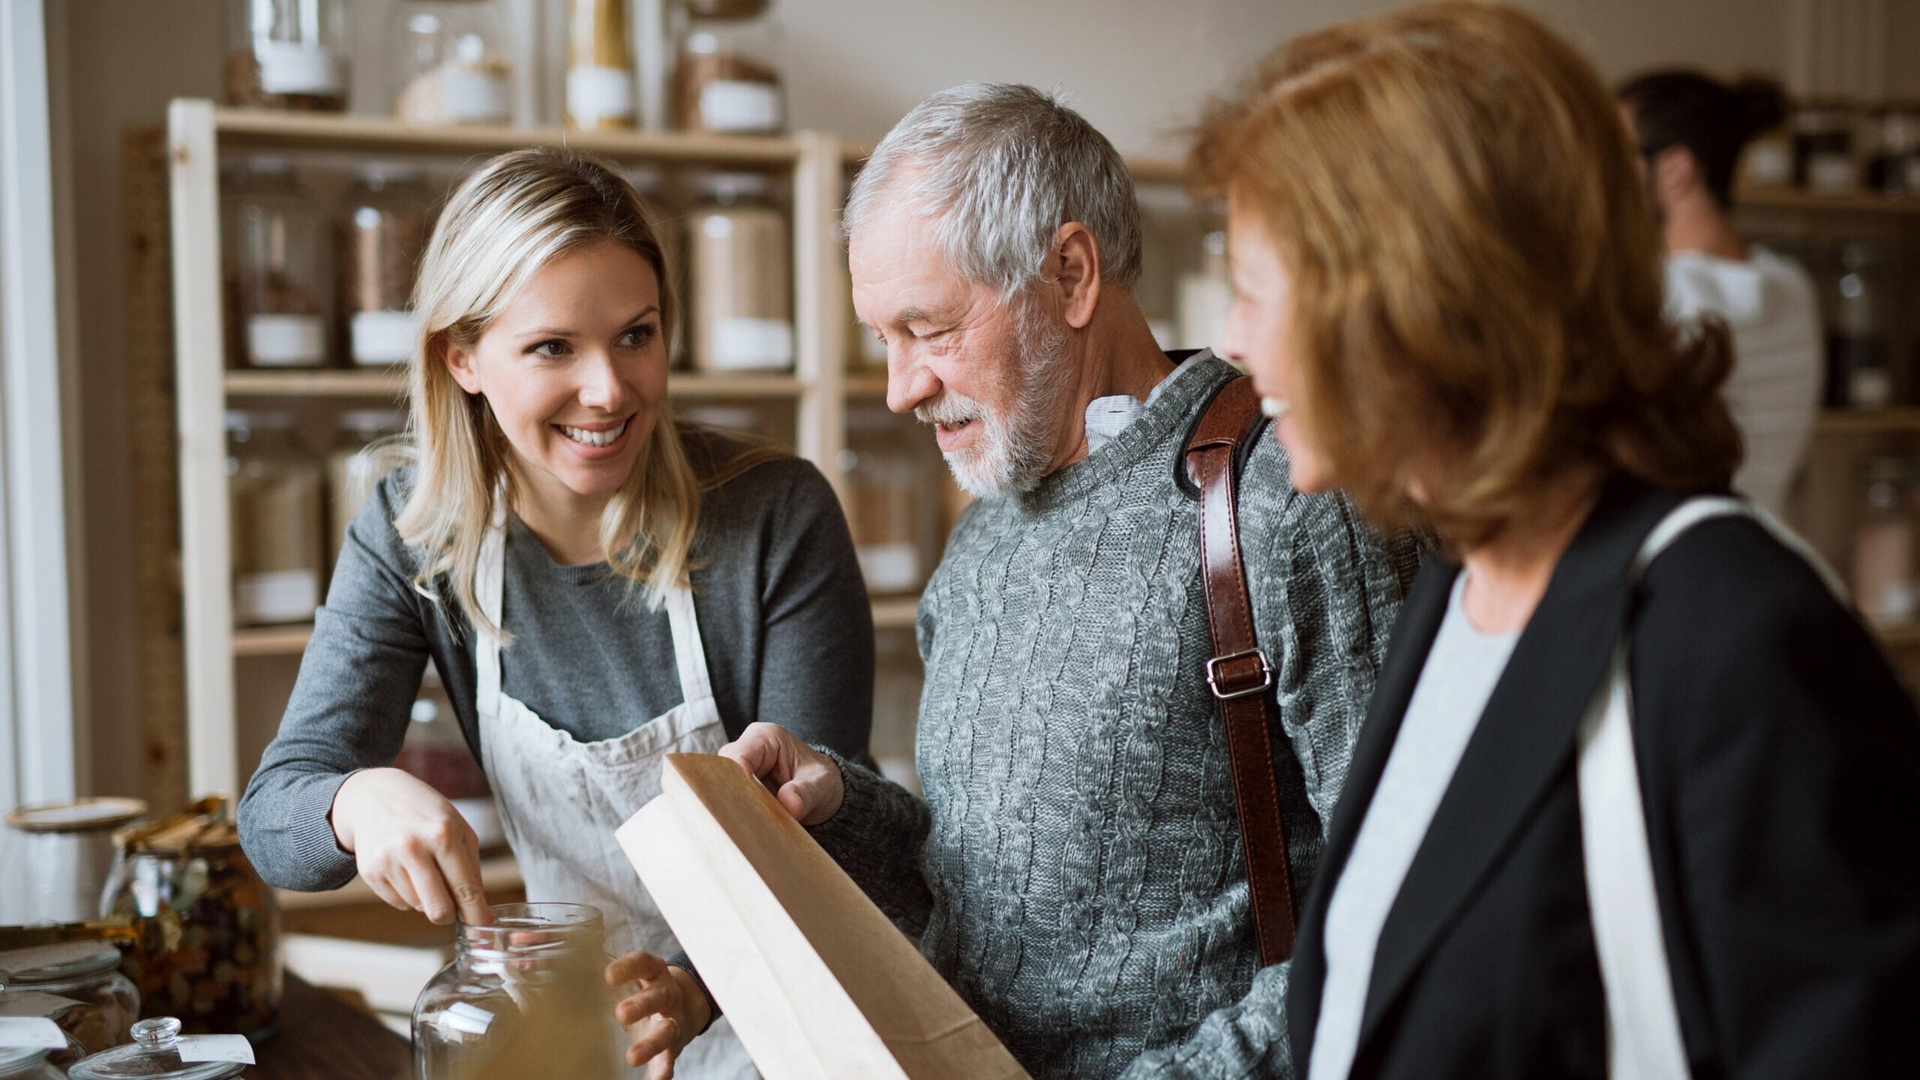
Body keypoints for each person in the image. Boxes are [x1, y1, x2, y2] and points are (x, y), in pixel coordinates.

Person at [606, 83, 1426, 1079]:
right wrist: (838, 807)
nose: (901, 387)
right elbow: (967, 893)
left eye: (930, 329)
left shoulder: (1292, 497)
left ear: (1071, 274)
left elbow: (1407, 907)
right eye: (884, 341)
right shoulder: (989, 524)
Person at [1193, 4, 1920, 1078]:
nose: (1232, 342)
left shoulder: (1737, 640)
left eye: (1255, 290)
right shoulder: (1459, 578)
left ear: (1418, 302)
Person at [236, 148, 874, 1078]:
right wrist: (350, 801)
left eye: (636, 335)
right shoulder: (413, 535)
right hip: (576, 1036)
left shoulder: (774, 514)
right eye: (552, 348)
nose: (609, 390)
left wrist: (696, 988)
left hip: (786, 1018)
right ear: (462, 357)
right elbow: (271, 820)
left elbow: (833, 839)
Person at [1619, 70, 1823, 518]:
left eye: (1617, 157)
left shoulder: (1663, 293)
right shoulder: (1792, 285)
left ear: (1675, 170)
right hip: (1768, 539)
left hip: (1683, 555)